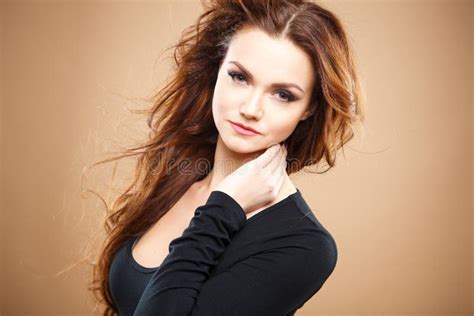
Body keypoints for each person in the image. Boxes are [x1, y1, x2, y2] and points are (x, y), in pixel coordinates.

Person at [89, 0, 365, 315]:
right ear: (217, 69)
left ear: (309, 109)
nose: (250, 109)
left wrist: (224, 207)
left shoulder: (303, 247)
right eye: (240, 77)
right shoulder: (179, 175)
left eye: (283, 94)